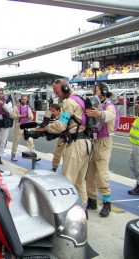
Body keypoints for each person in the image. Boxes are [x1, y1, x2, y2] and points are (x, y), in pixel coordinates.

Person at [36, 79, 92, 207]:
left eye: (57, 92)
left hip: (76, 144)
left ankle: (67, 210)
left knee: (67, 181)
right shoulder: (80, 99)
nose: (57, 95)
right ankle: (83, 208)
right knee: (80, 181)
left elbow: (61, 125)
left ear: (65, 88)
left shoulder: (69, 102)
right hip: (86, 144)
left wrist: (45, 128)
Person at [85, 82, 116, 217]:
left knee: (102, 174)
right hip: (94, 141)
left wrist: (99, 113)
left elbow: (109, 116)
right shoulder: (95, 104)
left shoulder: (109, 106)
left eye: (95, 90)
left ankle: (106, 203)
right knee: (90, 174)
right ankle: (92, 200)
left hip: (104, 142)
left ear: (103, 91)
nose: (93, 91)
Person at [10, 95, 40, 162]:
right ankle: (13, 154)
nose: (24, 100)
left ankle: (34, 156)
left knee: (30, 140)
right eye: (23, 99)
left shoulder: (28, 108)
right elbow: (11, 115)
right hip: (18, 125)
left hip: (26, 125)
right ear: (20, 100)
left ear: (27, 100)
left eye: (25, 99)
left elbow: (32, 117)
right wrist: (19, 116)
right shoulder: (16, 107)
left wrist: (30, 117)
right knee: (16, 141)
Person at [49, 103, 64, 172]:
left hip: (69, 137)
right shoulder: (54, 117)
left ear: (58, 111)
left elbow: (61, 127)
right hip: (61, 137)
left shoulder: (64, 115)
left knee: (66, 155)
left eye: (53, 111)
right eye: (51, 111)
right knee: (57, 152)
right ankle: (54, 167)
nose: (52, 113)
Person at [127, 115, 139, 195]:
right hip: (135, 144)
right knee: (130, 162)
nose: (137, 105)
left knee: (137, 166)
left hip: (138, 144)